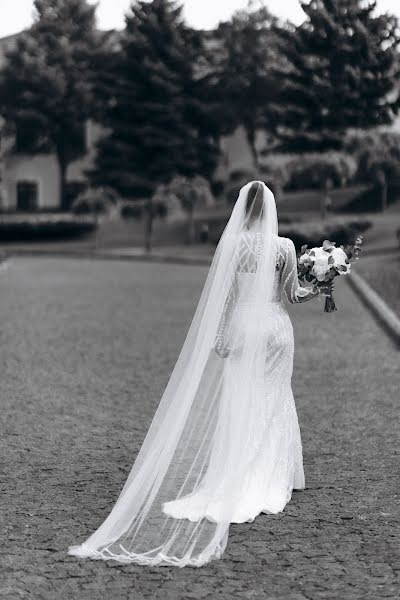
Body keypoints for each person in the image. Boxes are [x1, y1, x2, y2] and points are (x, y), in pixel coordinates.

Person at [69, 181, 331, 567]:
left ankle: (237, 469)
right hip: (275, 330)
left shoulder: (231, 246)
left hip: (244, 325)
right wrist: (322, 284)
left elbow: (224, 297)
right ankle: (275, 473)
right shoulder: (285, 247)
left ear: (244, 208)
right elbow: (292, 294)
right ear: (271, 209)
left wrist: (222, 336)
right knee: (276, 394)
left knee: (241, 396)